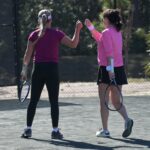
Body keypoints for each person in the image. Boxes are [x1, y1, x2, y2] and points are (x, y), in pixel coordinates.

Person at [21, 9, 83, 139]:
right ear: (51, 20)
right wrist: (78, 29)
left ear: (39, 20)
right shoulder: (56, 33)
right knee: (54, 102)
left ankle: (28, 129)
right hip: (52, 70)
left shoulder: (33, 35)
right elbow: (73, 44)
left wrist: (24, 70)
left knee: (33, 101)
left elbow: (27, 55)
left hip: (37, 70)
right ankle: (55, 131)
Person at [85, 9, 133, 138]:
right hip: (119, 69)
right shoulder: (117, 32)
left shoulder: (107, 32)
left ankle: (105, 131)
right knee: (116, 101)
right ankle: (127, 120)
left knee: (104, 102)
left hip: (108, 69)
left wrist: (110, 70)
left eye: (104, 18)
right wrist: (90, 27)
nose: (102, 20)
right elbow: (99, 38)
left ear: (108, 20)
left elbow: (109, 54)